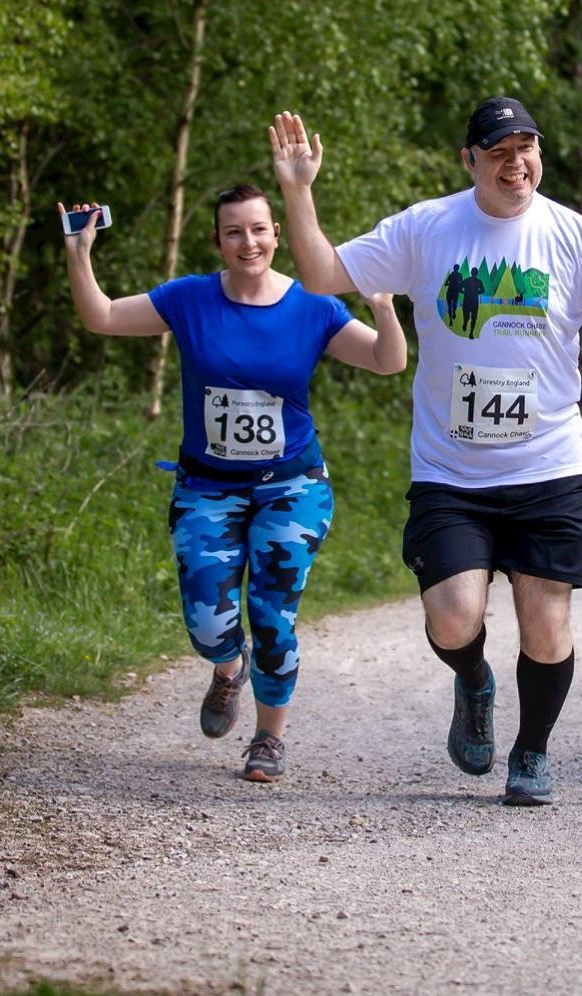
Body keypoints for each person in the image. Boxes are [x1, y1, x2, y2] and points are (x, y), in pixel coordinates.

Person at [269, 99, 582, 807]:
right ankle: (473, 678)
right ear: (470, 161)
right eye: (498, 151)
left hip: (547, 469)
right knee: (452, 618)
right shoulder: (427, 228)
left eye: (526, 148)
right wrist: (297, 189)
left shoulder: (569, 235)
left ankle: (531, 751)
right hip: (450, 472)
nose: (516, 163)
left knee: (547, 620)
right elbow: (322, 275)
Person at [58, 186, 407, 781]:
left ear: (276, 235)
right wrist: (79, 249)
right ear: (218, 241)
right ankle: (227, 668)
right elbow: (102, 316)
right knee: (208, 624)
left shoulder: (313, 306)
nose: (249, 242)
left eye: (259, 229)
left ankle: (268, 739)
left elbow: (387, 361)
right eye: (235, 232)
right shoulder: (190, 299)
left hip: (292, 487)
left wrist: (383, 310)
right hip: (208, 487)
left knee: (273, 614)